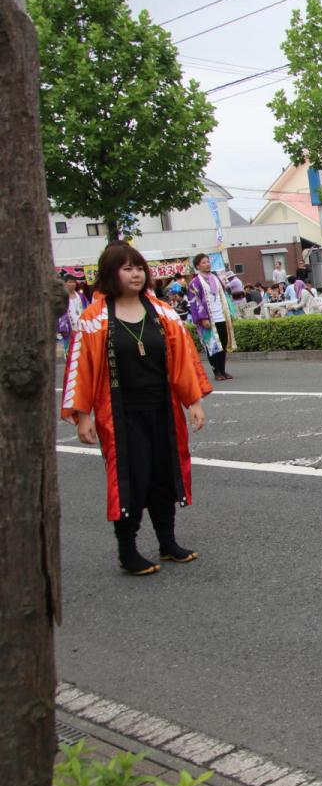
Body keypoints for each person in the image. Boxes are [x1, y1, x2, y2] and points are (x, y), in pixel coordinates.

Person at [61, 243, 210, 575]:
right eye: (127, 268)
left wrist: (194, 401)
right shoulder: (94, 319)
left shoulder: (163, 313)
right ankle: (127, 551)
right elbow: (80, 368)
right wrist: (82, 415)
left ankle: (168, 543)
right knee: (131, 477)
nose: (135, 273)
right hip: (121, 414)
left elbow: (185, 360)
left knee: (163, 472)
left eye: (139, 267)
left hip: (162, 409)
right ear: (111, 274)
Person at [187, 253, 237, 381]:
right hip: (209, 319)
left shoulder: (216, 278)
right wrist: (203, 318)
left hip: (221, 316)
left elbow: (224, 296)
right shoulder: (195, 282)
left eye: (208, 261)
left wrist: (230, 313)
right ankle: (217, 372)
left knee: (223, 344)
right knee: (212, 346)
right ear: (198, 266)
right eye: (203, 262)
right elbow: (195, 302)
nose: (207, 264)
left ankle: (223, 370)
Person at [58, 275, 89, 352]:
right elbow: (59, 313)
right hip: (69, 328)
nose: (72, 284)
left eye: (74, 282)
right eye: (70, 282)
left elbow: (88, 308)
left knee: (83, 351)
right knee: (70, 351)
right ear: (65, 284)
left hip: (82, 327)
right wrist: (62, 327)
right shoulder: (62, 297)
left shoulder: (81, 296)